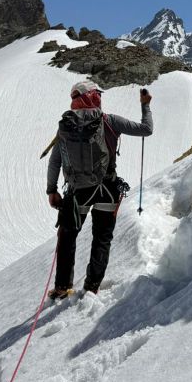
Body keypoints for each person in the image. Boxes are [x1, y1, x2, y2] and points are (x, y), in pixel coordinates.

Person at [45, 81, 153, 299]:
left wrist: (52, 190)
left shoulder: (66, 126)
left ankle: (62, 287)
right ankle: (92, 286)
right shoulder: (109, 121)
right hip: (107, 188)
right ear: (94, 97)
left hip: (77, 191)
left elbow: (55, 161)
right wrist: (145, 105)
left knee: (67, 237)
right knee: (102, 238)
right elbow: (146, 130)